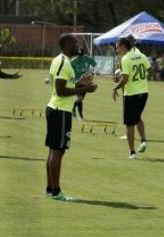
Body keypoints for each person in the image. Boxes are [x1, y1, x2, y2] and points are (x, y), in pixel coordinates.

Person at [45, 33, 97, 201]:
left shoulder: (60, 60)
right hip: (59, 110)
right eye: (75, 43)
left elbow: (65, 84)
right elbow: (61, 90)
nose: (78, 46)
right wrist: (83, 90)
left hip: (58, 109)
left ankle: (50, 188)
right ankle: (56, 191)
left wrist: (80, 82)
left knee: (54, 151)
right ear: (68, 45)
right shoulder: (63, 62)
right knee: (58, 152)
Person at [112, 37, 151, 159]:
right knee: (137, 117)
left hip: (131, 94)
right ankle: (143, 140)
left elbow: (125, 79)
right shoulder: (141, 55)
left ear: (124, 46)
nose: (117, 50)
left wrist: (115, 88)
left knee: (129, 124)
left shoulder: (126, 59)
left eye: (118, 47)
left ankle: (132, 152)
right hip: (144, 93)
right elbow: (151, 70)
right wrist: (141, 79)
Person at [70, 48, 97, 121]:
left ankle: (73, 110)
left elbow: (95, 65)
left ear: (83, 54)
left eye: (81, 55)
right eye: (79, 56)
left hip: (86, 81)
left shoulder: (88, 59)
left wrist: (95, 72)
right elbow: (69, 70)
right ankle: (80, 116)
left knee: (80, 98)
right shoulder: (73, 61)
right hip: (77, 81)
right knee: (80, 98)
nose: (80, 57)